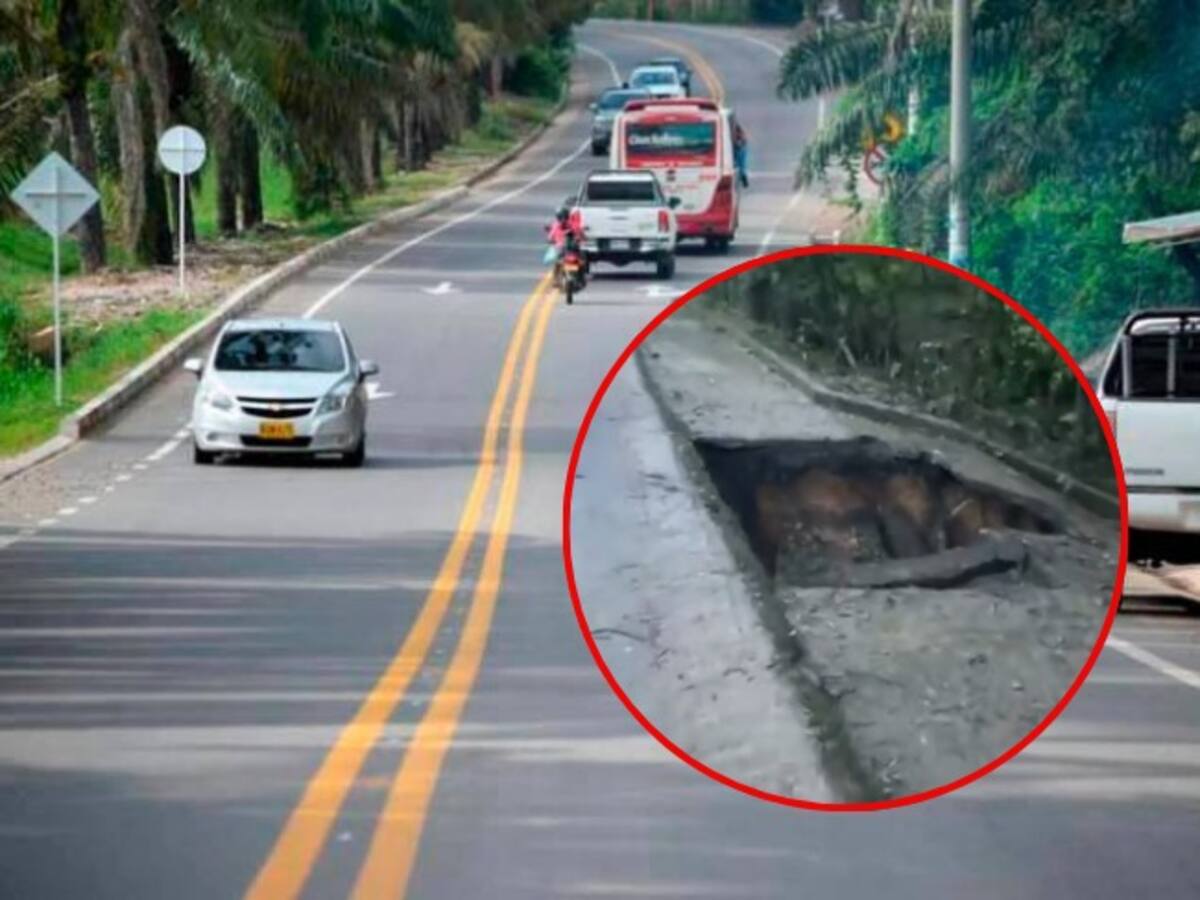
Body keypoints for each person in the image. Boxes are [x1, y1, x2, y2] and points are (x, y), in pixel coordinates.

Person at [733, 121, 749, 188]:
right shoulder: (737, 130)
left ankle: (744, 179)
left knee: (741, 166)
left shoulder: (738, 131)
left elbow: (743, 141)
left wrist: (738, 144)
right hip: (740, 150)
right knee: (741, 166)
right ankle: (743, 179)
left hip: (740, 150)